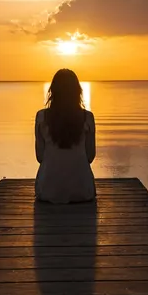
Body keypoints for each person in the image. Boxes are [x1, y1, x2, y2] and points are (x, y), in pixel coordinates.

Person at [34, 69, 96, 204]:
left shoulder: (41, 117)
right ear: (77, 92)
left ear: (53, 92)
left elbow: (40, 157)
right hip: (83, 191)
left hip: (48, 191)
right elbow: (90, 156)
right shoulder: (88, 117)